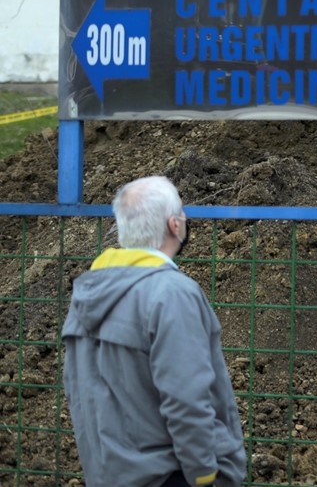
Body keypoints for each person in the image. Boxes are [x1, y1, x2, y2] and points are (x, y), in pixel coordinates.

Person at [62, 176, 246, 487]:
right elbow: (185, 398)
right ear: (175, 225)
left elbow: (78, 391)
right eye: (183, 215)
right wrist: (204, 475)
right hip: (171, 476)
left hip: (110, 475)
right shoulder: (173, 294)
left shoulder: (88, 291)